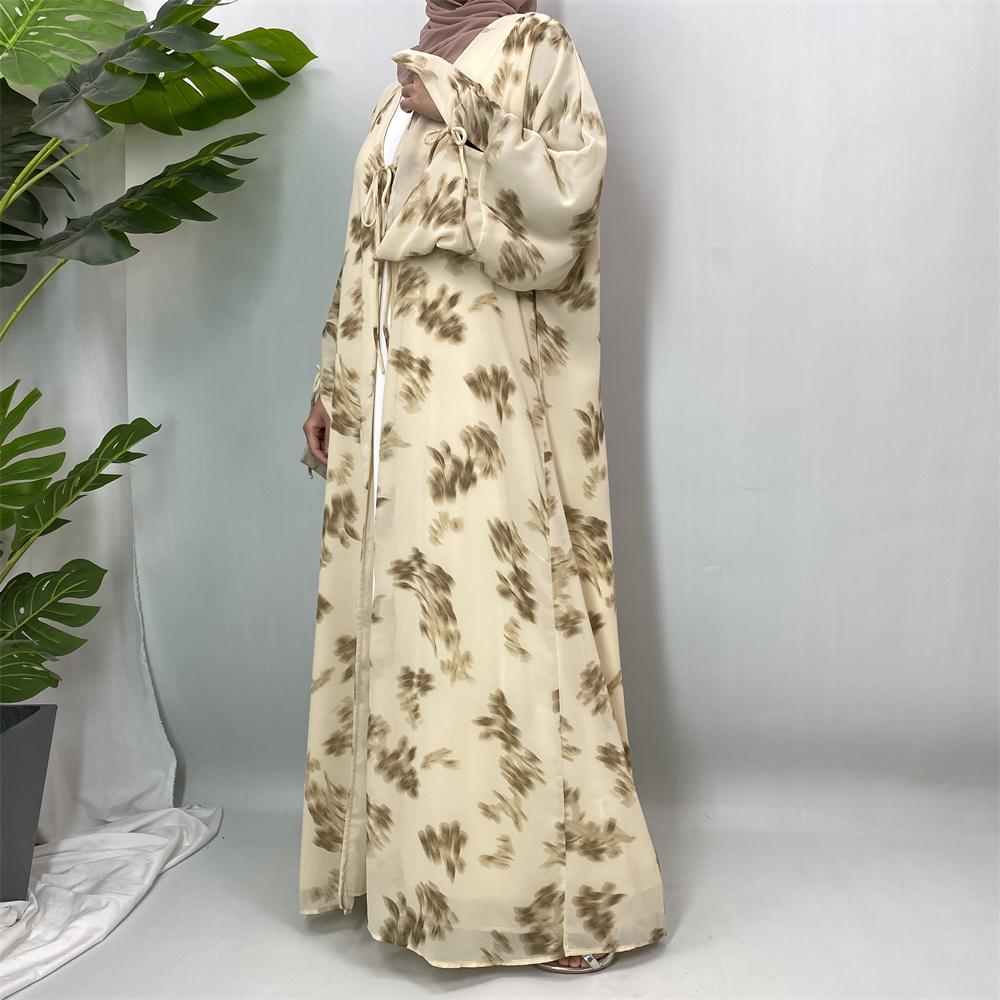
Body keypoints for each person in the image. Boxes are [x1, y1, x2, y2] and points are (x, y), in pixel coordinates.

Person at [299, 0, 666, 974]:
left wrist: (465, 109)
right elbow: (366, 243)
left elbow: (562, 207)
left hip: (475, 387)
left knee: (494, 615)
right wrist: (332, 379)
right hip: (393, 392)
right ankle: (425, 885)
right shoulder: (410, 68)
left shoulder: (534, 45)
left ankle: (562, 902)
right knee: (418, 629)